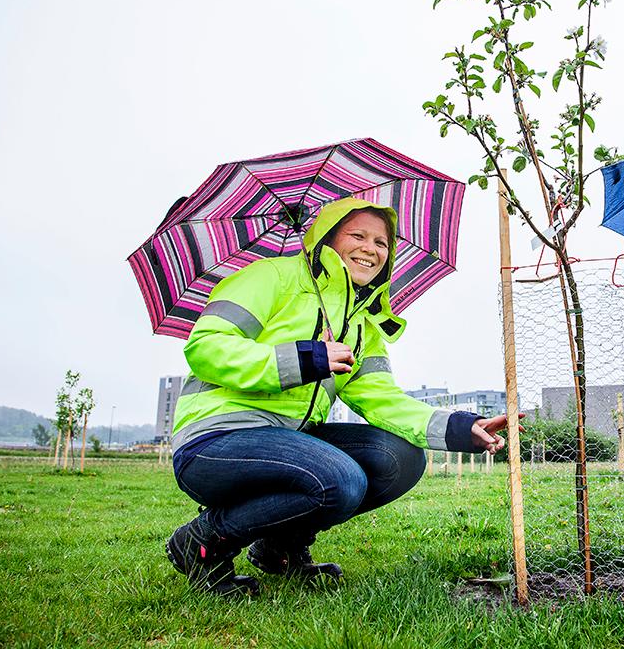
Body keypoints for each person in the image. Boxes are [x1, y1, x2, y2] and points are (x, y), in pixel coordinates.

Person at [164, 198, 512, 596]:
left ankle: (280, 546)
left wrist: (462, 428)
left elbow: (383, 399)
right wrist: (305, 357)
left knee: (400, 459)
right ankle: (203, 542)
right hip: (216, 439)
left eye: (382, 242)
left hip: (291, 441)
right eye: (358, 236)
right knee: (339, 479)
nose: (371, 249)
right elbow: (206, 348)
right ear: (327, 239)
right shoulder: (269, 277)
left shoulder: (362, 324)